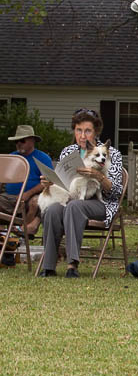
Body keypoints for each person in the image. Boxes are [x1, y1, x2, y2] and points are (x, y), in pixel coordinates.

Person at [39, 109, 124, 277]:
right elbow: (63, 182)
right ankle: (48, 266)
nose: (83, 135)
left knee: (74, 207)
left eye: (87, 131)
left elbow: (116, 192)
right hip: (72, 196)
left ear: (96, 132)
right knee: (53, 210)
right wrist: (50, 181)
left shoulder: (111, 153)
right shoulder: (68, 151)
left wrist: (99, 176)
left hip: (101, 203)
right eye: (79, 130)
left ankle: (72, 265)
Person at [0, 125, 53, 235]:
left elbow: (49, 181)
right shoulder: (12, 157)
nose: (19, 143)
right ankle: (4, 238)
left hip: (31, 199)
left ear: (32, 141)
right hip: (8, 197)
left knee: (36, 201)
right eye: (17, 141)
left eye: (22, 140)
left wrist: (28, 193)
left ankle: (23, 234)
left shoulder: (42, 158)